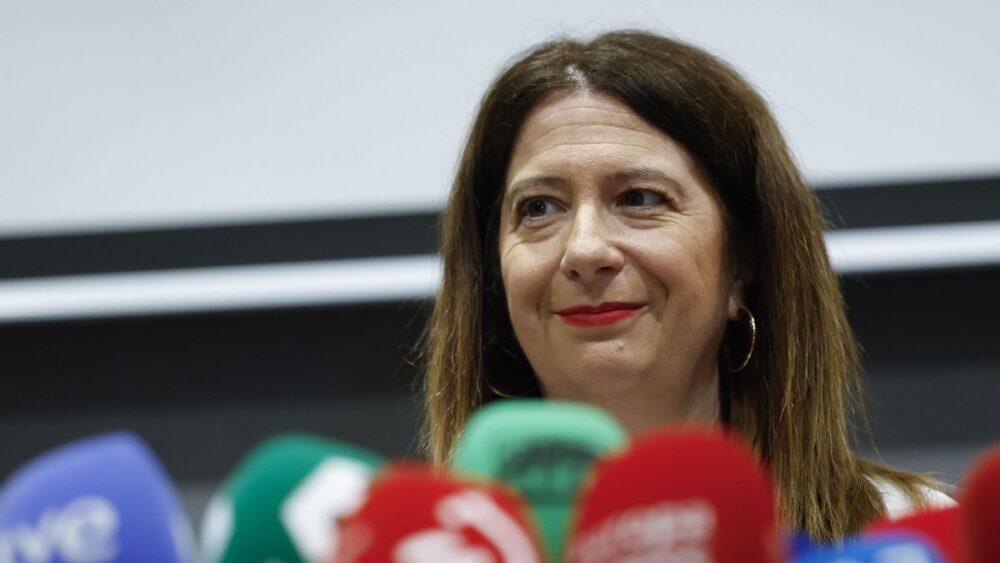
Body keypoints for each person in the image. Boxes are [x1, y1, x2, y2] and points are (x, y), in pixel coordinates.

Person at [420, 30, 952, 541]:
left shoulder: (913, 535)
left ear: (743, 261)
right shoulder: (421, 547)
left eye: (640, 198)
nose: (584, 250)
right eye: (539, 208)